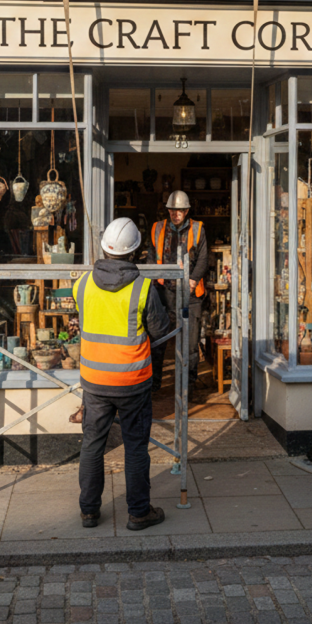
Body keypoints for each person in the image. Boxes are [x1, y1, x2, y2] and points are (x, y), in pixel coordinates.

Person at [74, 217, 172, 532]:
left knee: (92, 445)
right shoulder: (143, 288)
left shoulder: (83, 284)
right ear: (136, 252)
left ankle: (89, 512)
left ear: (104, 248)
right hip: (132, 382)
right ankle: (139, 513)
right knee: (135, 447)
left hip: (95, 382)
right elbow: (161, 330)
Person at [150, 190, 209, 397]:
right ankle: (154, 386)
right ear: (168, 211)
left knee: (191, 344)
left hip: (190, 295)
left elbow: (203, 259)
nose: (176, 214)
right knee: (157, 340)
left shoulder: (198, 229)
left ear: (187, 211)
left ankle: (188, 387)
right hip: (163, 293)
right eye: (173, 211)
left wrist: (193, 279)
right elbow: (151, 258)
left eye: (180, 211)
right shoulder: (157, 229)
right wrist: (151, 284)